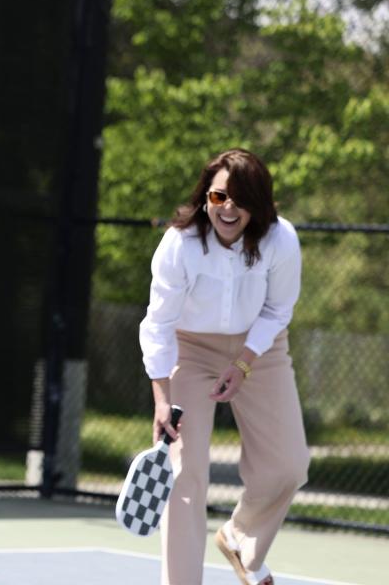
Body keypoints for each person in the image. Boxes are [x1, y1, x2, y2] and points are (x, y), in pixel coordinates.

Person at [138, 148, 311, 585]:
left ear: (258, 202)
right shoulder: (180, 243)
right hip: (190, 350)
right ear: (205, 199)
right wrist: (162, 399)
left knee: (289, 466)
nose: (227, 209)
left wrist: (244, 362)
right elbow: (158, 325)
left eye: (239, 198)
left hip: (262, 348)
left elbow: (278, 310)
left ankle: (241, 538)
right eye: (218, 198)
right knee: (183, 477)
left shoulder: (281, 240)